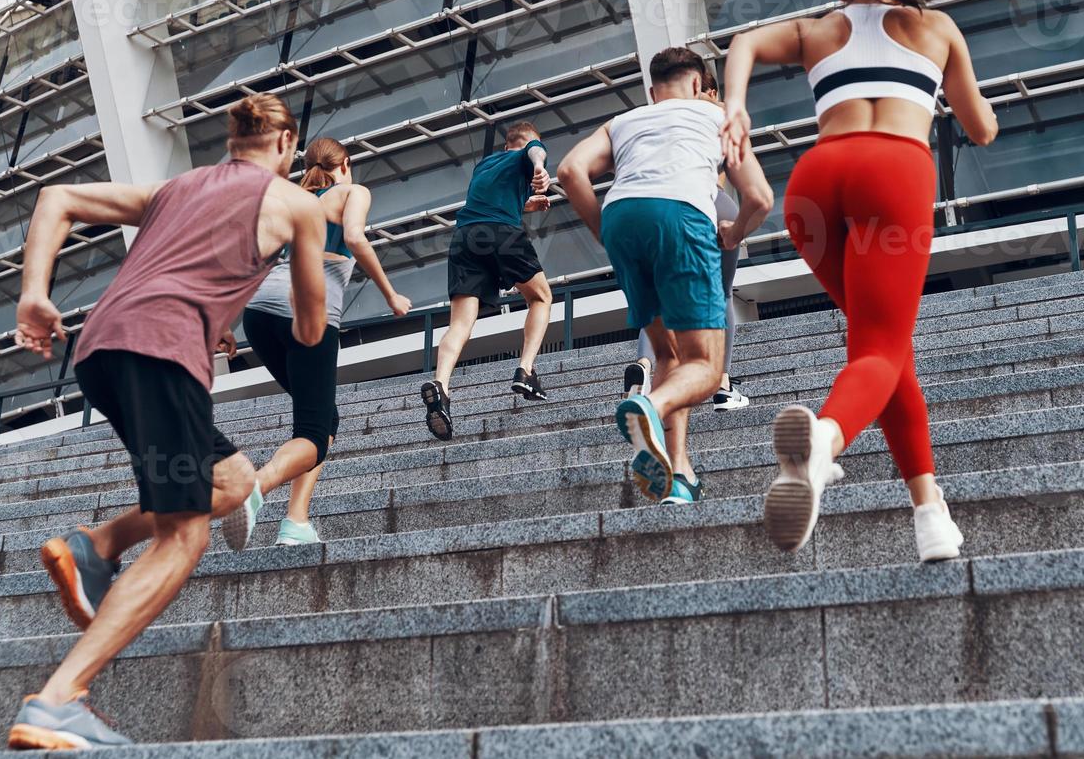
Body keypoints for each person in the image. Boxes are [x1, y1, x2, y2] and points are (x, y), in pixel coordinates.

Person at [7, 93, 328, 748]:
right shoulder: (298, 205)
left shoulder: (176, 187)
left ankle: (97, 546)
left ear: (234, 141)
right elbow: (311, 326)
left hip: (100, 351)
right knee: (185, 539)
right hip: (163, 354)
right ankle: (59, 699)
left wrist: (35, 293)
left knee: (235, 483)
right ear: (287, 146)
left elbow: (56, 199)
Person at [720, 0, 1024, 560]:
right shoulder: (937, 28)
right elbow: (982, 129)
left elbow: (741, 43)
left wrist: (735, 107)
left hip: (816, 183)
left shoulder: (817, 30)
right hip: (893, 173)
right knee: (881, 350)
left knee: (883, 351)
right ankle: (824, 447)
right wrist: (962, 99)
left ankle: (930, 514)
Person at [559, 47, 773, 505]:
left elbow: (570, 170)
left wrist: (606, 234)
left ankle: (678, 476)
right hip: (681, 215)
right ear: (699, 85)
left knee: (668, 355)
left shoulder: (624, 121)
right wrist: (733, 234)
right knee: (707, 366)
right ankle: (648, 408)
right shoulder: (717, 116)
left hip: (622, 218)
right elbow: (760, 198)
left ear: (653, 91)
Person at [233, 137, 413, 548]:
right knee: (313, 431)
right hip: (307, 311)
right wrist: (390, 294)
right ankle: (254, 488)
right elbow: (353, 237)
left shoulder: (292, 200)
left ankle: (296, 522)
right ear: (346, 164)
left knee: (321, 421)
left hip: (259, 314)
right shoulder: (353, 191)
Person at [624, 69, 750, 412]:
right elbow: (748, 183)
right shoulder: (717, 112)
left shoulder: (659, 121)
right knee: (722, 292)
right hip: (711, 202)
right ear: (704, 89)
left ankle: (645, 367)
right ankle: (722, 385)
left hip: (663, 208)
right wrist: (738, 225)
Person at [420, 121, 553, 440]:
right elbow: (535, 150)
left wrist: (526, 203)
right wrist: (539, 166)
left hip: (465, 238)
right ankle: (526, 369)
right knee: (541, 298)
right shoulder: (525, 154)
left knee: (461, 323)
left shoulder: (485, 165)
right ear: (522, 145)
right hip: (502, 234)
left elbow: (493, 200)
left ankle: (441, 386)